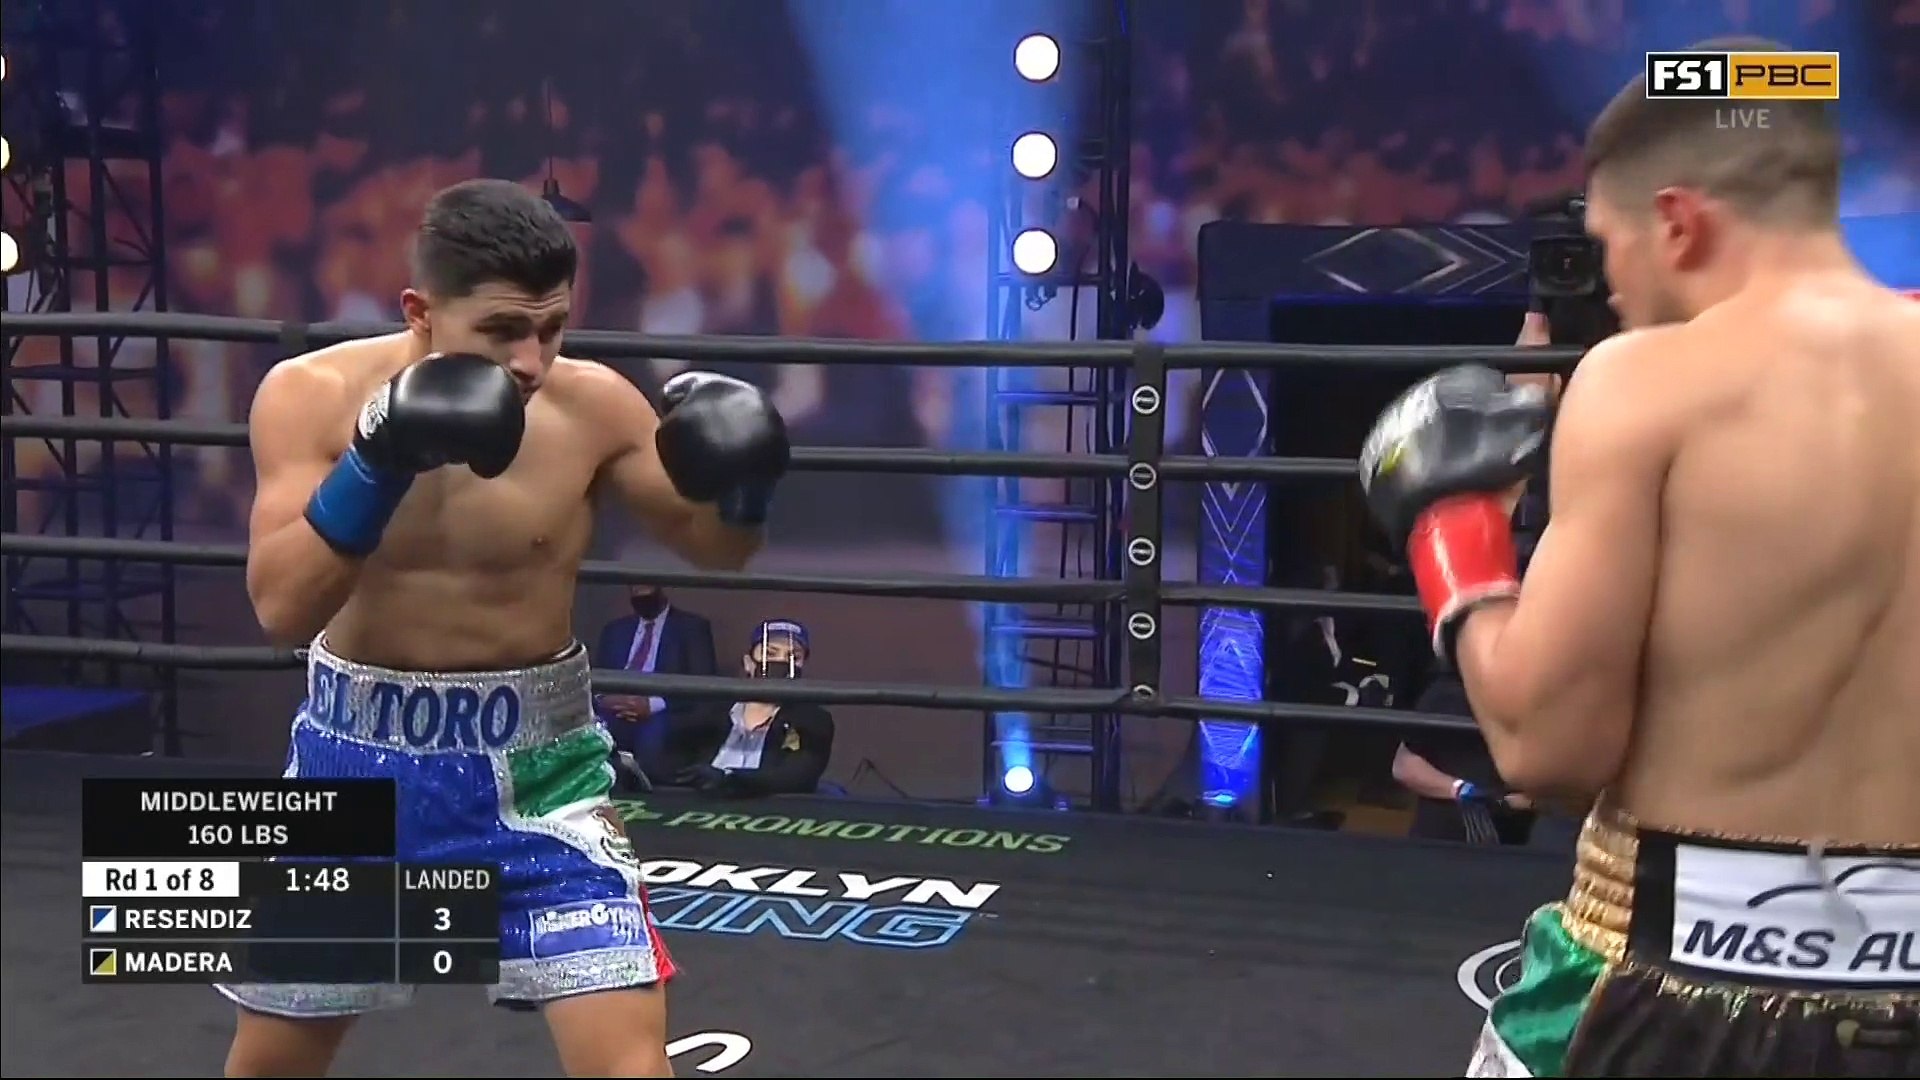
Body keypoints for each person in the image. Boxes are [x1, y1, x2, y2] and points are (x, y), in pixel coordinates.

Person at [1359, 37, 1919, 1079]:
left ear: (1677, 221)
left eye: (1608, 246)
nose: (1610, 288)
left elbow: (1546, 749)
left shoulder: (1645, 382)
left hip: (1675, 974)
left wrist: (1453, 536)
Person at [225, 178, 791, 1078]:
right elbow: (280, 610)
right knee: (270, 1069)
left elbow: (720, 551)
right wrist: (379, 459)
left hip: (542, 777)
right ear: (420, 312)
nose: (531, 360)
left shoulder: (593, 406)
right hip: (353, 769)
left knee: (631, 1071)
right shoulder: (310, 394)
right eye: (500, 331)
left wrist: (746, 483)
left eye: (552, 328)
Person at [670, 619, 835, 797]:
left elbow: (796, 776)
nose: (781, 662)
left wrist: (729, 778)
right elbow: (673, 763)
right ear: (749, 663)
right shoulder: (711, 712)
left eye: (793, 657)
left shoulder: (813, 720)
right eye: (770, 654)